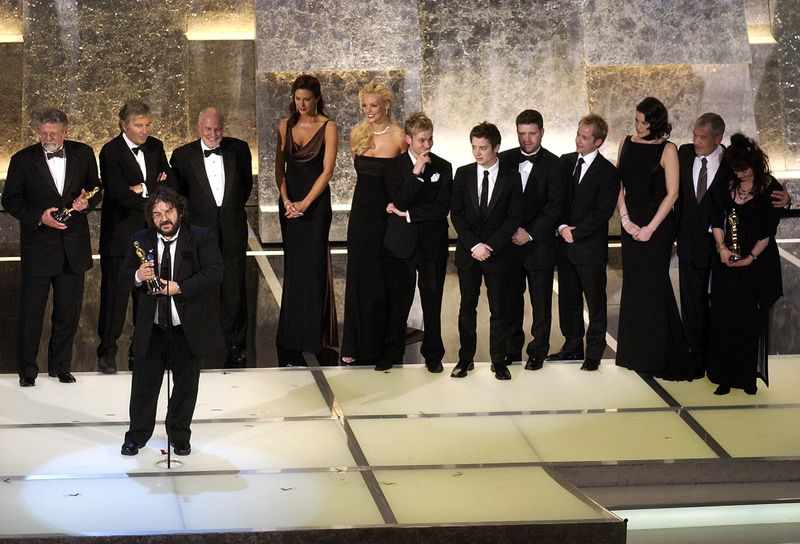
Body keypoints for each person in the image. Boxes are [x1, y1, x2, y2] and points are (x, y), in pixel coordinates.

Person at [676, 113, 790, 376]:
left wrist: (787, 201)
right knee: (693, 305)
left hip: (732, 251)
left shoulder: (733, 162)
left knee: (727, 310)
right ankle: (698, 361)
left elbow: (768, 194)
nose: (695, 140)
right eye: (694, 134)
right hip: (694, 244)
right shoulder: (682, 154)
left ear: (718, 138)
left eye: (702, 137)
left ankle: (731, 366)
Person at [121, 188, 223, 456]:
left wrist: (179, 287)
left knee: (186, 386)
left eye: (168, 211)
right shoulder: (140, 239)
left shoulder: (201, 237)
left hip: (186, 327)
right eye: (157, 214)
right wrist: (138, 276)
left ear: (180, 212)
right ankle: (137, 435)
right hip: (152, 327)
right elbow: (122, 277)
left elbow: (214, 272)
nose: (163, 218)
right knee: (144, 385)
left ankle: (179, 434)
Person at [2, 108, 101, 387]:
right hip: (39, 248)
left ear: (65, 133)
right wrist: (39, 216)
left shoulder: (83, 153)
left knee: (68, 314)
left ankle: (60, 367)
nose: (46, 137)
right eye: (43, 133)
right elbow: (10, 200)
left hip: (73, 248)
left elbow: (95, 188)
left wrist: (87, 202)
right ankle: (27, 371)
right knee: (32, 314)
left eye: (52, 134)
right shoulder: (22, 159)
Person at [614, 98, 692, 379]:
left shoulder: (667, 149)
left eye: (644, 122)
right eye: (636, 120)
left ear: (656, 123)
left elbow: (672, 194)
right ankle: (635, 353)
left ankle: (659, 353)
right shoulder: (626, 142)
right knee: (634, 286)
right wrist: (625, 220)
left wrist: (649, 228)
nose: (638, 126)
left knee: (654, 285)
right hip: (630, 222)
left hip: (657, 227)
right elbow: (618, 185)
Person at [171, 107, 252, 368]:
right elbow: (179, 196)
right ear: (198, 128)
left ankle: (235, 344)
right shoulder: (182, 156)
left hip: (232, 230)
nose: (213, 134)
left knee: (234, 288)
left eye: (217, 129)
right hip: (199, 234)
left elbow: (245, 188)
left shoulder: (239, 150)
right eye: (208, 129)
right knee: (198, 288)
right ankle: (198, 342)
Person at [97, 99, 174, 374]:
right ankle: (107, 350)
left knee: (147, 296)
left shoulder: (156, 146)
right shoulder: (110, 152)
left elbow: (170, 183)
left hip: (150, 237)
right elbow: (118, 194)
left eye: (147, 125)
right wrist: (152, 189)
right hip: (120, 239)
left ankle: (139, 350)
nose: (145, 130)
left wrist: (141, 189)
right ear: (124, 125)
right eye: (139, 126)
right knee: (114, 298)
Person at [706, 134, 783, 395]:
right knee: (725, 319)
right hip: (727, 260)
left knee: (750, 322)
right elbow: (716, 219)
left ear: (755, 165)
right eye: (737, 169)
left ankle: (747, 376)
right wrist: (721, 249)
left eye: (745, 170)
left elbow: (767, 233)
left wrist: (750, 258)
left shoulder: (769, 188)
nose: (741, 174)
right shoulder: (726, 184)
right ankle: (725, 376)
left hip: (757, 263)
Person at [377, 112, 453, 373]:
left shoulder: (444, 167)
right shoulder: (393, 168)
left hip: (432, 245)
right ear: (408, 139)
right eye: (421, 140)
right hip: (401, 246)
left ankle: (433, 354)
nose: (427, 146)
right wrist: (416, 172)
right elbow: (398, 200)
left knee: (433, 301)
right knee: (398, 302)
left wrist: (408, 215)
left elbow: (441, 208)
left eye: (430, 139)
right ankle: (391, 352)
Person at [274, 75, 339, 366]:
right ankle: (291, 337)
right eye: (297, 99)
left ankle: (315, 338)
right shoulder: (284, 126)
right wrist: (288, 201)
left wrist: (305, 203)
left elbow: (327, 172)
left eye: (307, 99)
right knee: (294, 269)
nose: (302, 105)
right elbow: (279, 170)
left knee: (313, 269)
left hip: (315, 206)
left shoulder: (329, 127)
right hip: (290, 206)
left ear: (316, 98)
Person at [450, 122, 523, 380]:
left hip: (498, 255)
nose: (477, 153)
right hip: (469, 254)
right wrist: (475, 245)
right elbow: (457, 215)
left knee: (499, 310)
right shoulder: (462, 174)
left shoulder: (511, 177)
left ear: (496, 148)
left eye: (483, 148)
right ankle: (465, 359)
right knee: (466, 308)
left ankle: (498, 360)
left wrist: (489, 246)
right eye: (474, 147)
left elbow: (513, 217)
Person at [340, 82, 406, 365]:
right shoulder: (356, 135)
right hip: (362, 215)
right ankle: (355, 343)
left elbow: (403, 178)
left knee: (384, 278)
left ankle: (383, 344)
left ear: (387, 105)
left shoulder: (400, 137)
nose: (368, 111)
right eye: (365, 106)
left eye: (374, 105)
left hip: (388, 214)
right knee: (359, 276)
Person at [549, 114, 618, 371]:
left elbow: (603, 213)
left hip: (589, 249)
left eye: (584, 137)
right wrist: (562, 227)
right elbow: (556, 200)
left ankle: (594, 353)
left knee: (595, 302)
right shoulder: (565, 163)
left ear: (598, 141)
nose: (578, 140)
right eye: (578, 134)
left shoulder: (609, 173)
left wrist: (576, 233)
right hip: (565, 246)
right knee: (568, 301)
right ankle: (572, 347)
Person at [498, 109, 563, 371]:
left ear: (542, 133)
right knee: (511, 301)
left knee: (541, 302)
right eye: (522, 134)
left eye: (532, 134)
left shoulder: (556, 164)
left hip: (540, 245)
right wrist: (509, 232)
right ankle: (512, 349)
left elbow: (554, 207)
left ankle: (538, 350)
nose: (527, 139)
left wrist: (530, 232)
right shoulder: (503, 160)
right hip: (510, 246)